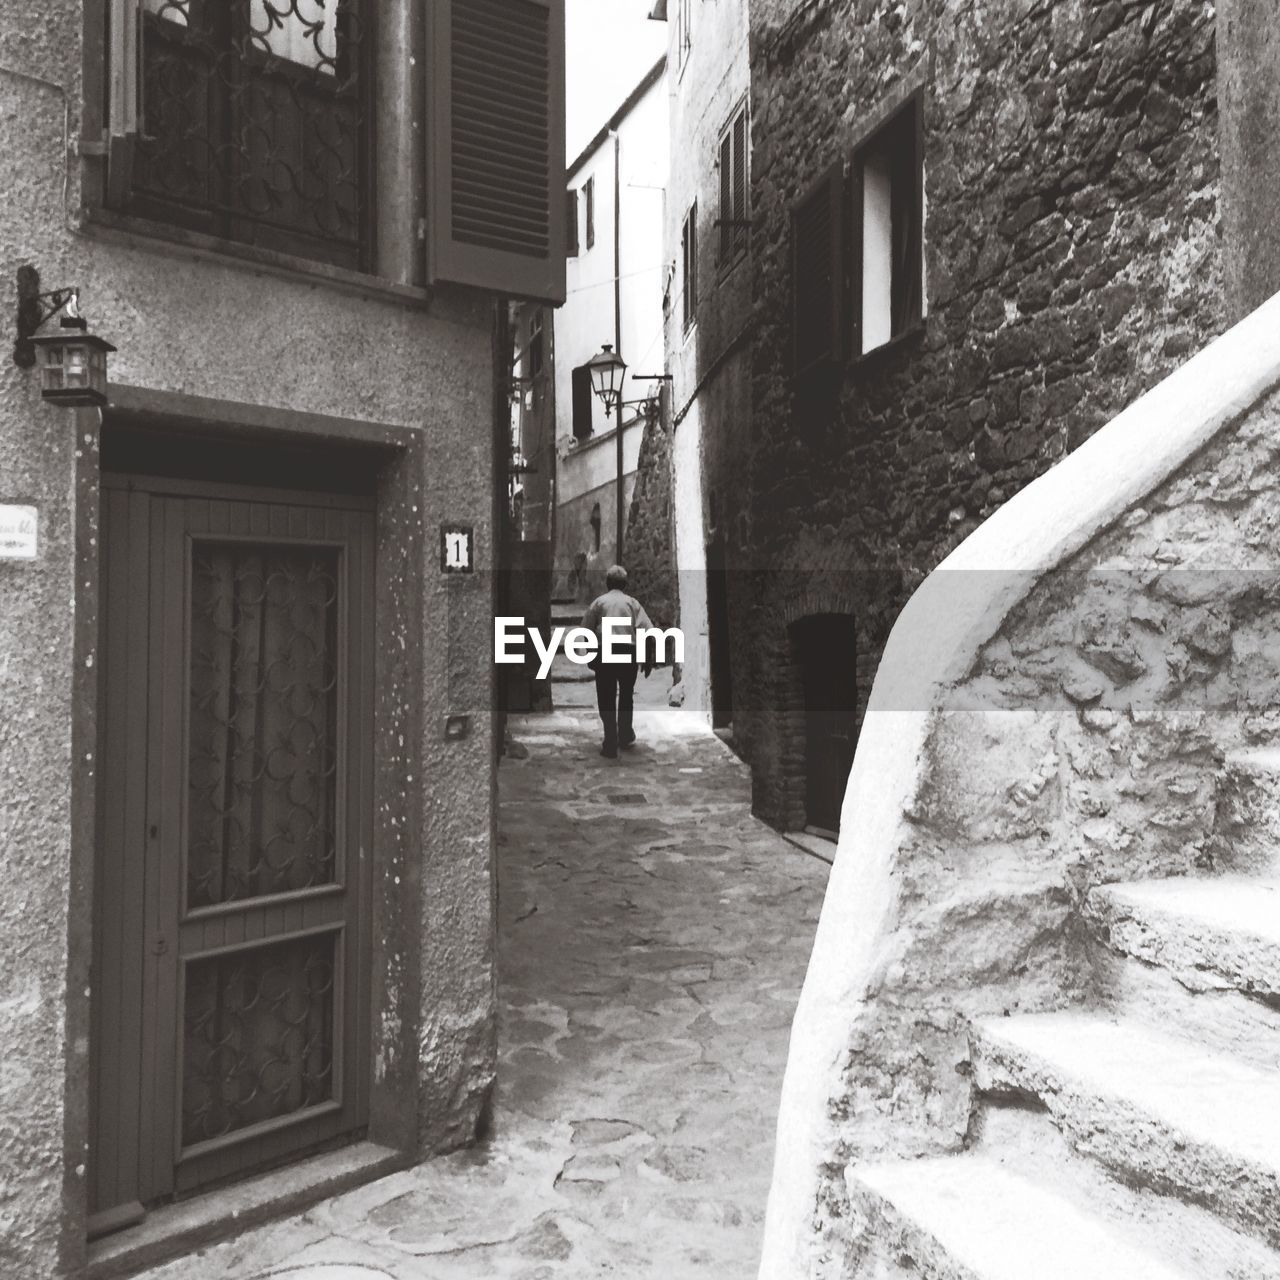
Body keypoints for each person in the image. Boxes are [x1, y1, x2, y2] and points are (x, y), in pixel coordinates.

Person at [581, 565, 653, 758]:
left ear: (607, 583)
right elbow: (647, 630)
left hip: (606, 652)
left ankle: (610, 740)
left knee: (606, 696)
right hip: (627, 652)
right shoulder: (632, 603)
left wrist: (590, 653)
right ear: (625, 584)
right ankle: (625, 734)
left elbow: (586, 630)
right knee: (626, 695)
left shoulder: (598, 603)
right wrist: (647, 658)